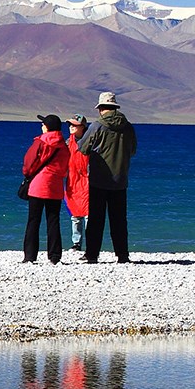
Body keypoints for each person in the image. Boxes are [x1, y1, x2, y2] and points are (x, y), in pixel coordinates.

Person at [79, 92, 138, 263]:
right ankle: (122, 254)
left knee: (96, 219)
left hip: (99, 179)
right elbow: (132, 150)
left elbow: (83, 147)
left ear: (101, 109)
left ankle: (92, 254)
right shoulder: (128, 127)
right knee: (119, 219)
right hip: (120, 179)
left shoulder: (97, 126)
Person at [20, 114, 70, 263]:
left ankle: (30, 256)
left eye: (43, 124)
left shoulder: (41, 142)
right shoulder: (63, 145)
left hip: (39, 185)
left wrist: (27, 174)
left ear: (46, 127)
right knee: (53, 220)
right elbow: (66, 165)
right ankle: (54, 256)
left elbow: (29, 162)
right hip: (55, 185)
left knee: (33, 220)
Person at [65, 115, 92, 252]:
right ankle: (76, 243)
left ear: (83, 127)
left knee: (88, 214)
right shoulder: (67, 143)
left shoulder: (90, 142)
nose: (71, 127)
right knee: (75, 214)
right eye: (70, 124)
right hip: (72, 181)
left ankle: (91, 243)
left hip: (87, 181)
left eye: (75, 125)